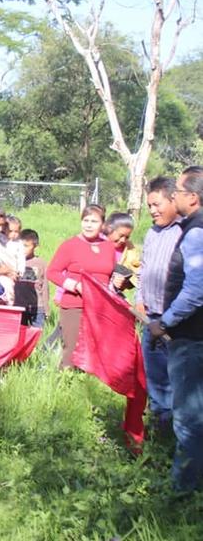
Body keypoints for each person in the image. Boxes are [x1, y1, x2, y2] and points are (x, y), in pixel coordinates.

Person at [148, 166, 203, 492]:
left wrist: (165, 322)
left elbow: (196, 289)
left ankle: (182, 492)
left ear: (192, 198)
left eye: (179, 192)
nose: (175, 196)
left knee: (188, 417)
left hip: (191, 338)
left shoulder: (196, 232)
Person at [135, 177, 182, 434]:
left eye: (157, 204)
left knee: (179, 381)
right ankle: (160, 430)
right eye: (149, 205)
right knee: (156, 379)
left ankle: (179, 434)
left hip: (177, 322)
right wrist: (139, 300)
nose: (152, 210)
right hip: (149, 319)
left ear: (173, 199)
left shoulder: (187, 232)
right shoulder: (152, 233)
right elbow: (143, 271)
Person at [47, 204, 116, 369]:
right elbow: (52, 272)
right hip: (75, 305)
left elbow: (111, 273)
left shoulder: (108, 247)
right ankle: (65, 384)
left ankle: (90, 385)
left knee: (96, 349)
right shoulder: (70, 245)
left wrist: (117, 284)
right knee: (72, 349)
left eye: (94, 221)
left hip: (100, 307)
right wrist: (75, 286)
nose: (89, 225)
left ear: (103, 224)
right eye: (86, 220)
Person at [16, 229, 48, 328]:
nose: (23, 250)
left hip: (37, 306)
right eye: (20, 246)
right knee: (20, 333)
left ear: (35, 246)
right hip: (19, 306)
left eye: (26, 246)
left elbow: (45, 286)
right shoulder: (14, 261)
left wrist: (46, 308)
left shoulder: (41, 263)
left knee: (37, 334)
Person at [104, 212, 140, 293]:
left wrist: (124, 283)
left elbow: (136, 275)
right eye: (121, 235)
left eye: (127, 237)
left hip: (114, 294)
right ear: (109, 229)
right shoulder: (97, 243)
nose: (123, 240)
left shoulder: (129, 249)